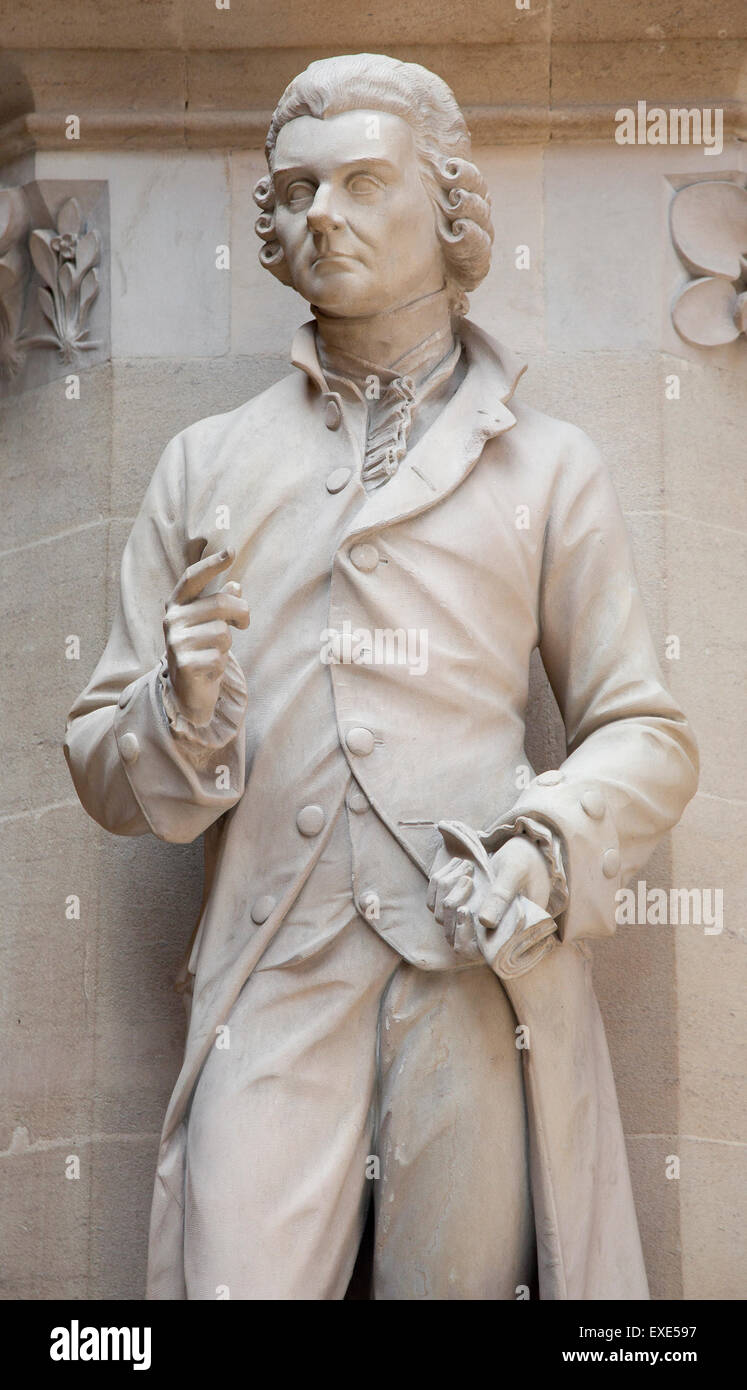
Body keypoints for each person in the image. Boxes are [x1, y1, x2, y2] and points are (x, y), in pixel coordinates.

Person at [65, 53, 698, 1300]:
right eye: (296, 191)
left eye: (363, 182)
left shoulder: (548, 467)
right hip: (271, 975)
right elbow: (98, 757)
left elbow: (646, 731)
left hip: (469, 972)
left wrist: (545, 842)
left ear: (450, 208)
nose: (322, 217)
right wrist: (177, 714)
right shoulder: (210, 463)